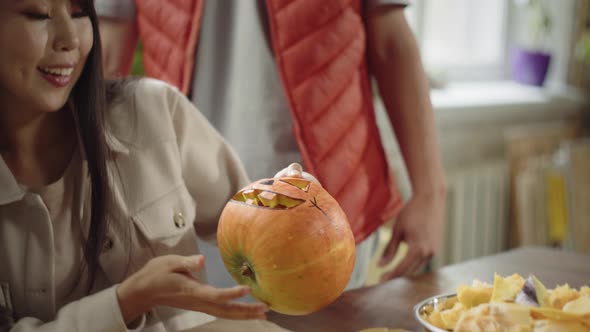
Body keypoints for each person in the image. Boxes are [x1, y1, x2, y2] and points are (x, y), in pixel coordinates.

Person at [98, 0, 448, 287]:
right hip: (186, 204)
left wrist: (430, 192)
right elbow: (110, 54)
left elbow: (391, 41)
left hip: (326, 204)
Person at [0, 0, 304, 330]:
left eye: (79, 14)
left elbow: (255, 225)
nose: (69, 40)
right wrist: (128, 300)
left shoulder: (152, 112)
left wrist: (286, 209)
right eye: (39, 15)